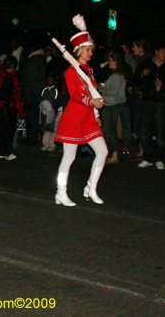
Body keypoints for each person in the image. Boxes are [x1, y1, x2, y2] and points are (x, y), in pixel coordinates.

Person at [54, 15, 107, 207]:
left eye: (92, 49)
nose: (91, 52)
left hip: (88, 118)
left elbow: (92, 92)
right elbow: (75, 95)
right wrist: (91, 101)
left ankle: (90, 188)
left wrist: (96, 113)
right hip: (74, 118)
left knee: (102, 152)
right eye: (88, 49)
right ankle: (61, 192)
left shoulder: (90, 71)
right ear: (78, 50)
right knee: (68, 158)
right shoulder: (71, 71)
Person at [135, 43, 165, 170]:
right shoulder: (147, 64)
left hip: (160, 102)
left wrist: (164, 85)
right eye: (163, 50)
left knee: (160, 131)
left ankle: (159, 158)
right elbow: (136, 80)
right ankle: (148, 157)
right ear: (156, 51)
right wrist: (143, 75)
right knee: (145, 131)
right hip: (147, 101)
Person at [0, 55, 25, 160]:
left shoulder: (14, 77)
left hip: (9, 106)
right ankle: (8, 152)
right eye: (10, 67)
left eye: (13, 67)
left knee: (4, 128)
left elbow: (18, 90)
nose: (11, 69)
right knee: (5, 128)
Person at [99, 50, 126, 164]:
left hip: (114, 104)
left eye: (110, 61)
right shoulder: (115, 74)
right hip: (112, 103)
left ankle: (115, 154)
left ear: (116, 62)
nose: (108, 63)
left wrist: (101, 88)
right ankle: (112, 153)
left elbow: (113, 91)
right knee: (110, 129)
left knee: (111, 129)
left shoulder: (117, 75)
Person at [40, 73, 60, 152]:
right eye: (48, 80)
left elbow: (54, 100)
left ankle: (52, 144)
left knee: (52, 129)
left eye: (50, 80)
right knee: (46, 129)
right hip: (45, 113)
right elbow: (42, 99)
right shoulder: (45, 90)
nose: (49, 81)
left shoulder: (55, 90)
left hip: (53, 112)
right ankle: (45, 144)